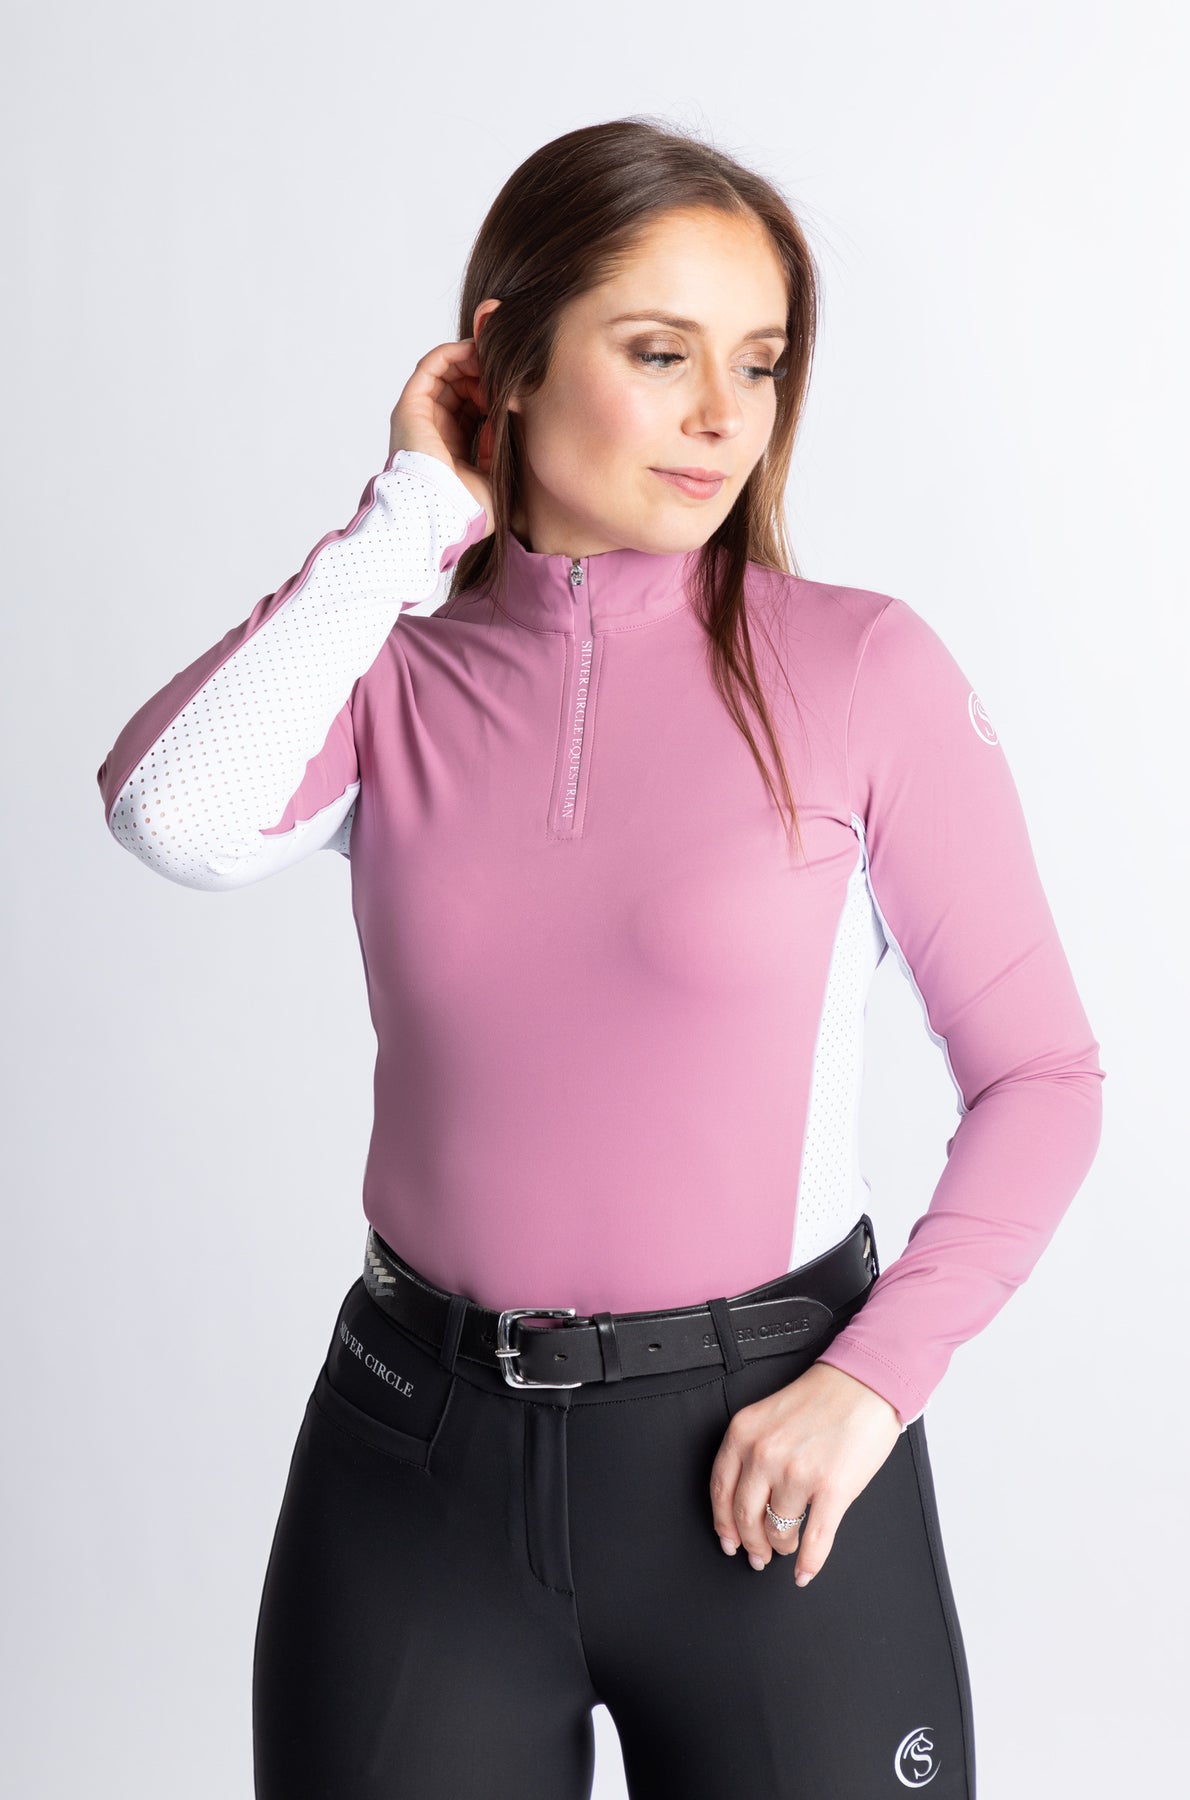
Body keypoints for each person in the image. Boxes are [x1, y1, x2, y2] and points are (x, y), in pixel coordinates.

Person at [95, 118, 1104, 1799]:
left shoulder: (858, 670)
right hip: (413, 1465)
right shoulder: (386, 682)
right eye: (658, 352)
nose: (724, 413)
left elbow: (1042, 1077)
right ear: (502, 354)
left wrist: (871, 1383)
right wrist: (413, 508)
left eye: (758, 362)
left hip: (771, 1460)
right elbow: (170, 816)